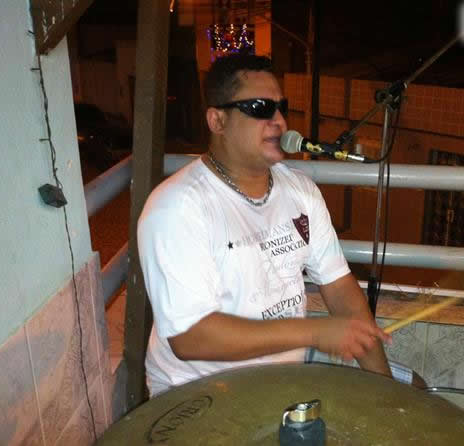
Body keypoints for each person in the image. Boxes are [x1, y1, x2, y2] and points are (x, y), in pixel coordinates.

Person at [138, 54, 399, 397]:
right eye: (260, 108)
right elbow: (190, 338)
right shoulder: (177, 206)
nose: (279, 121)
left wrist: (388, 394)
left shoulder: (301, 190)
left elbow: (339, 287)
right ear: (217, 120)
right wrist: (315, 333)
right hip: (197, 394)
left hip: (279, 382)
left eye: (281, 107)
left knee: (403, 398)